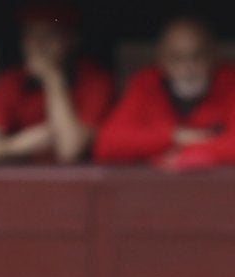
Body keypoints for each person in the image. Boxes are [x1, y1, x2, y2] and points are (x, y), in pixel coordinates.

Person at [0, 3, 114, 164]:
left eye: (48, 35)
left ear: (72, 39)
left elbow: (71, 150)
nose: (37, 44)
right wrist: (16, 145)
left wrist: (52, 79)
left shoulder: (95, 80)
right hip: (22, 181)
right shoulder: (12, 80)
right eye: (30, 35)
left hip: (79, 184)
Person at [93, 16, 235, 169]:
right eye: (177, 58)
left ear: (213, 56)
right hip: (156, 189)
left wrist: (190, 155)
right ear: (162, 60)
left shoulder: (229, 83)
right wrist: (174, 137)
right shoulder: (146, 84)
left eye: (197, 56)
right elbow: (106, 144)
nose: (188, 68)